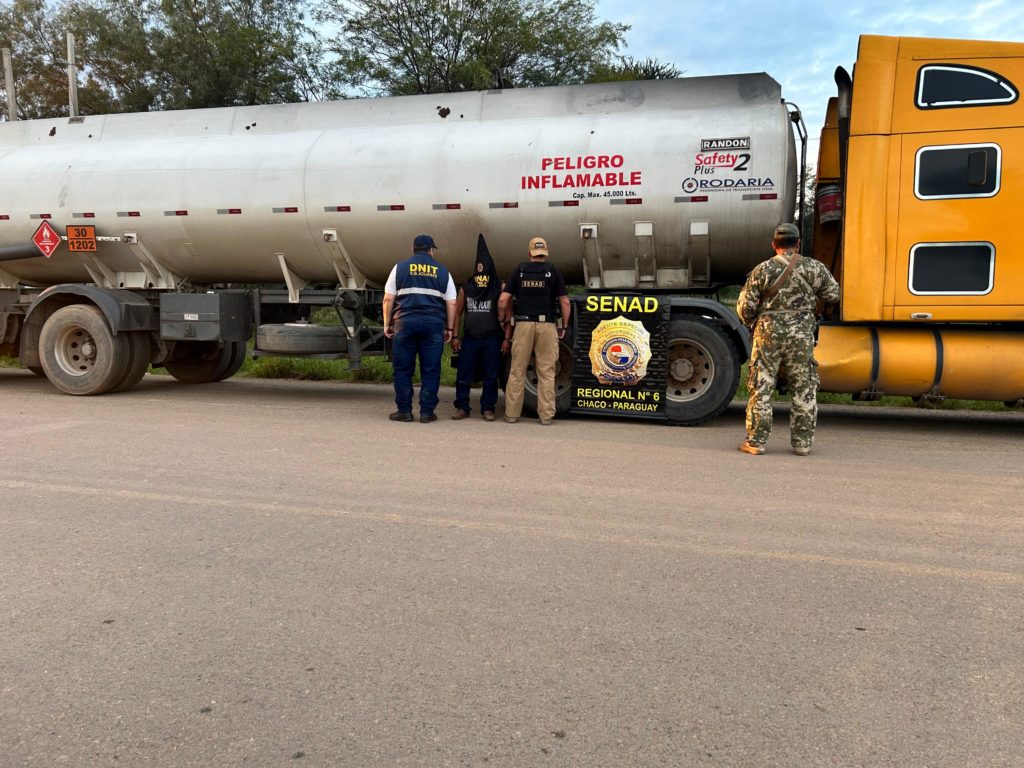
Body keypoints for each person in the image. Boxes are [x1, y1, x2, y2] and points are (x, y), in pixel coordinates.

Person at [736, 222, 841, 456]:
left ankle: (756, 442)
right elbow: (833, 294)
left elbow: (745, 308)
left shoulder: (762, 270)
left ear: (774, 245)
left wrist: (755, 321)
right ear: (798, 243)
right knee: (803, 387)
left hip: (768, 334)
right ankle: (802, 444)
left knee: (761, 386)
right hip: (801, 335)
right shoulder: (814, 267)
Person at [383, 234, 457, 423]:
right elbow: (452, 302)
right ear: (431, 250)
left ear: (413, 249)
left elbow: (388, 298)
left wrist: (387, 323)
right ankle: (427, 413)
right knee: (431, 370)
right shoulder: (443, 271)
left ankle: (404, 411)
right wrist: (449, 328)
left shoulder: (399, 268)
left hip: (404, 323)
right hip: (433, 325)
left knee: (402, 369)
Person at [498, 236, 570, 425]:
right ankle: (546, 416)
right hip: (547, 326)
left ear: (529, 252)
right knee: (546, 372)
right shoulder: (552, 271)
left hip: (523, 325)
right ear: (545, 253)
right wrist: (564, 326)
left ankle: (512, 414)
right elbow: (565, 302)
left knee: (517, 371)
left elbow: (503, 300)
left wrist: (501, 318)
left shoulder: (519, 270)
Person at [451, 243, 508, 421]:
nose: (481, 273)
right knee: (463, 374)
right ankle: (462, 407)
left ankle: (488, 409)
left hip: (492, 338)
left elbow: (509, 314)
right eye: (479, 268)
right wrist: (455, 336)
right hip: (469, 338)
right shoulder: (467, 287)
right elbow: (457, 313)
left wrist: (506, 338)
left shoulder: (498, 286)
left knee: (490, 376)